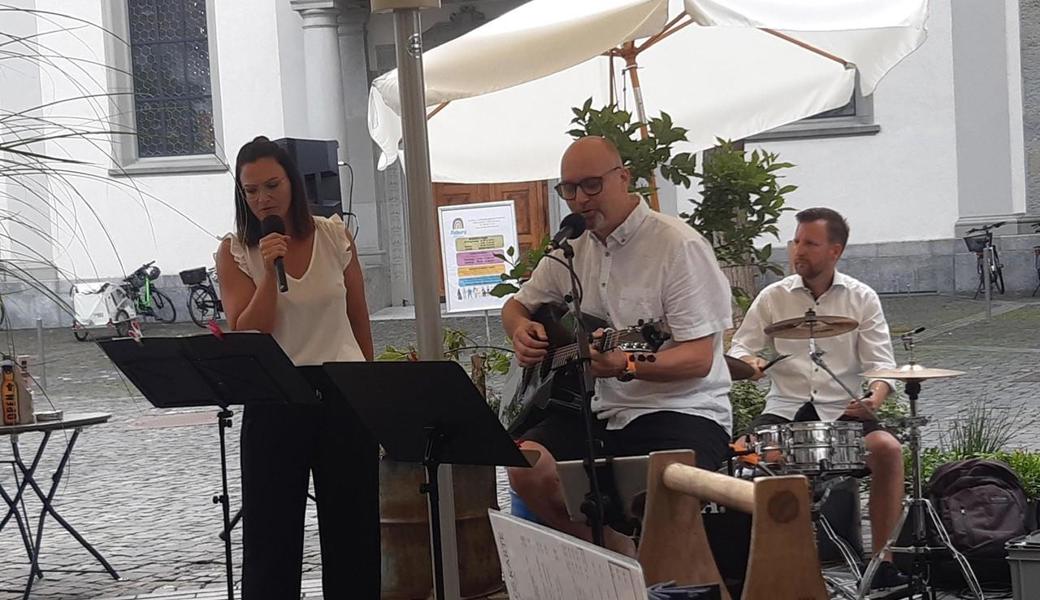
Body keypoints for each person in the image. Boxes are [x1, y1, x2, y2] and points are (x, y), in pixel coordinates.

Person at [503, 136, 734, 555]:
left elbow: (699, 358)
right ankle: (614, 555)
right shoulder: (571, 251)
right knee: (526, 463)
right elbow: (517, 305)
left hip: (682, 411)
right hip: (601, 410)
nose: (579, 199)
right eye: (568, 189)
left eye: (591, 185)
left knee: (657, 492)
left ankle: (659, 573)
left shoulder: (677, 246)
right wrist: (521, 329)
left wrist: (627, 364)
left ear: (623, 177)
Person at [215, 136, 379, 598]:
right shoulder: (234, 252)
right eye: (251, 190)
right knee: (271, 535)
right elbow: (249, 333)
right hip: (275, 394)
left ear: (293, 183)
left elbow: (359, 317)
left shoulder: (333, 235)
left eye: (272, 185)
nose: (263, 198)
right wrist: (270, 272)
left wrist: (370, 390)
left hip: (344, 390)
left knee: (354, 531)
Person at [729, 207, 909, 591]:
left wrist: (873, 401)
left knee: (888, 450)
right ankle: (770, 567)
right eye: (796, 241)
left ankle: (883, 563)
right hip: (784, 409)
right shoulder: (772, 297)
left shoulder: (862, 298)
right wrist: (751, 363)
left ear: (835, 251)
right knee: (746, 454)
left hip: (842, 413)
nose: (798, 250)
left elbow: (881, 367)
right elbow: (740, 349)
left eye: (810, 243)